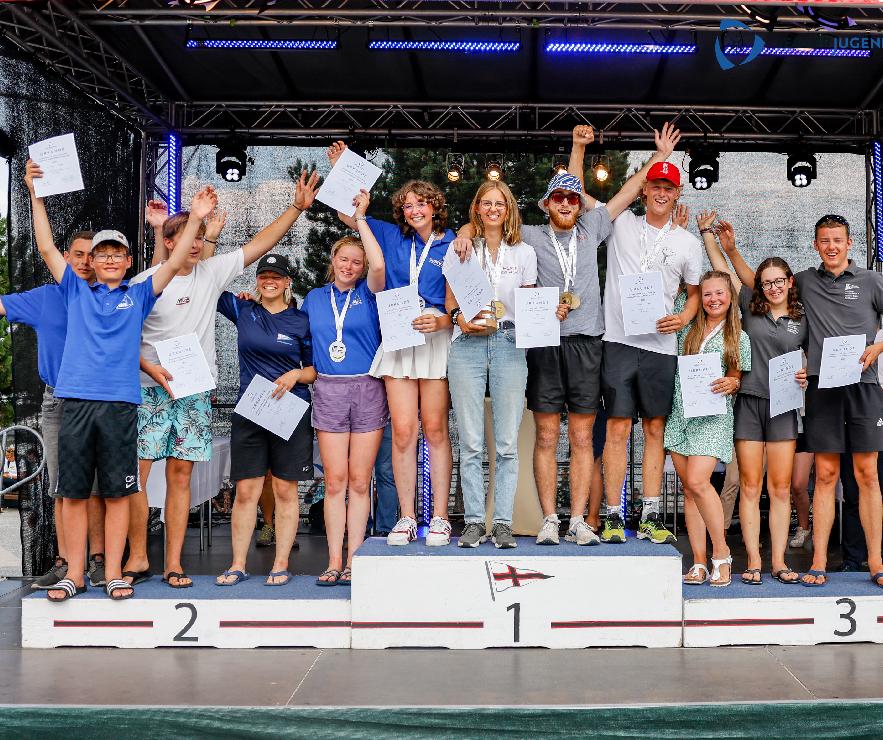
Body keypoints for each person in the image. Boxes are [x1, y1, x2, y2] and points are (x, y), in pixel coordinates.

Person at [453, 123, 682, 547]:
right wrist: (464, 233)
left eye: (572, 198)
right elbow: (484, 224)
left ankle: (577, 519)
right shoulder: (529, 237)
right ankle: (549, 520)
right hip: (543, 344)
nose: (565, 202)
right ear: (546, 204)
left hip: (587, 343)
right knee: (545, 435)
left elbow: (629, 191)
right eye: (557, 197)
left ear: (579, 205)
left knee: (581, 436)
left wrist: (658, 158)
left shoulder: (593, 227)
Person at [25, 157, 216, 601]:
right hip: (76, 403)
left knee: (116, 493)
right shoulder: (75, 289)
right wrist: (36, 196)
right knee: (74, 494)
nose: (110, 259)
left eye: (117, 254)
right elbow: (47, 246)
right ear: (91, 262)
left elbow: (173, 262)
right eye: (102, 254)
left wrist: (196, 218)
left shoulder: (140, 293)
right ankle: (75, 574)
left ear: (129, 261)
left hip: (121, 406)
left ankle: (113, 573)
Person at [125, 168, 319, 588]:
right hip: (149, 391)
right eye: (188, 236)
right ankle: (138, 556)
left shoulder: (210, 275)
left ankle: (173, 564)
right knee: (137, 476)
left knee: (181, 477)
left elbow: (261, 244)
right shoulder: (144, 282)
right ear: (169, 242)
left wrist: (296, 208)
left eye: (200, 237)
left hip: (193, 392)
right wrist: (149, 367)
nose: (196, 244)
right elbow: (122, 340)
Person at [328, 141, 455, 547]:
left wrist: (444, 319)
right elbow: (349, 215)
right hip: (398, 334)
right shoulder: (388, 233)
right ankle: (406, 516)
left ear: (435, 207)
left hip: (433, 336)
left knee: (435, 429)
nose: (414, 210)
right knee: (402, 431)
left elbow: (459, 298)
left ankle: (440, 517)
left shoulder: (454, 240)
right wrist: (343, 171)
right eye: (407, 205)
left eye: (421, 203)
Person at [598, 152, 702, 547]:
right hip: (619, 341)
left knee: (655, 428)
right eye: (655, 186)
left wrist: (683, 317)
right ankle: (613, 515)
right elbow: (583, 193)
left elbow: (694, 293)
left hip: (661, 346)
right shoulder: (621, 222)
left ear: (677, 194)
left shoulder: (687, 242)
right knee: (618, 427)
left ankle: (651, 515)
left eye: (668, 188)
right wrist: (656, 158)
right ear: (644, 191)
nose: (661, 193)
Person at [698, 213, 808, 584]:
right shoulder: (748, 304)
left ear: (789, 282)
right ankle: (754, 562)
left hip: (783, 408)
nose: (773, 287)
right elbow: (722, 271)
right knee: (749, 486)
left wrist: (806, 372)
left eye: (779, 281)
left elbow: (812, 357)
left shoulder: (802, 318)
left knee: (780, 488)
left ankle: (779, 562)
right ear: (759, 286)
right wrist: (710, 236)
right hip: (748, 402)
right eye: (766, 282)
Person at [1, 231, 111, 587]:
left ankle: (97, 560)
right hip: (58, 400)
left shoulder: (108, 298)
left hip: (99, 399)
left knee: (96, 487)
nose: (84, 262)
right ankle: (65, 562)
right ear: (65, 257)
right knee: (62, 486)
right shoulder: (45, 297)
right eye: (78, 254)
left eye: (91, 255)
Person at [445, 180, 537, 549]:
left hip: (509, 342)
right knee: (470, 441)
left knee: (507, 443)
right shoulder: (462, 246)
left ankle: (501, 523)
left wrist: (545, 313)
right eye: (487, 203)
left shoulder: (525, 253)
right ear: (477, 209)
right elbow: (450, 296)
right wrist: (458, 317)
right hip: (466, 342)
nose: (493, 209)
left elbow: (529, 303)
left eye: (500, 203)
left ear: (508, 209)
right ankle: (472, 522)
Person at [302, 190, 388, 583]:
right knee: (334, 482)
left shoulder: (370, 292)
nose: (349, 266)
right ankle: (333, 560)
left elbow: (380, 263)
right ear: (332, 261)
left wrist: (361, 218)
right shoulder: (313, 298)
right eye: (343, 259)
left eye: (357, 261)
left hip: (367, 387)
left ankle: (355, 559)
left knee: (359, 481)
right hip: (329, 389)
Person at [215, 253, 315, 586]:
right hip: (251, 411)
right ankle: (237, 564)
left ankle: (281, 564)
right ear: (256, 281)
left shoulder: (301, 320)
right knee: (246, 491)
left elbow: (315, 370)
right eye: (263, 276)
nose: (269, 281)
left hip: (290, 411)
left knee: (285, 489)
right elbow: (206, 281)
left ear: (288, 282)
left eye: (277, 276)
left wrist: (296, 374)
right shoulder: (243, 309)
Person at [795, 214, 883, 588]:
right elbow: (761, 286)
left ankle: (876, 561)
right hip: (823, 387)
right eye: (824, 240)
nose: (831, 246)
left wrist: (879, 346)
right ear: (816, 244)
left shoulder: (871, 280)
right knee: (826, 475)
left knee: (867, 475)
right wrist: (729, 251)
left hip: (864, 387)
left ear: (849, 243)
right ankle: (819, 561)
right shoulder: (804, 281)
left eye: (837, 240)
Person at [665, 270, 751, 587]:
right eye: (707, 293)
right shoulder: (687, 327)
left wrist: (733, 382)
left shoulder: (738, 336)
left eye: (720, 293)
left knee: (699, 481)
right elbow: (676, 295)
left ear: (730, 297)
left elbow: (737, 376)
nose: (713, 299)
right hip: (680, 414)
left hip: (713, 416)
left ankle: (722, 554)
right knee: (689, 491)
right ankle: (699, 561)